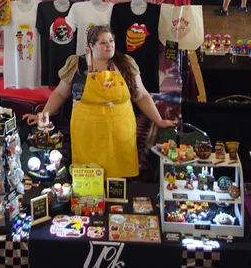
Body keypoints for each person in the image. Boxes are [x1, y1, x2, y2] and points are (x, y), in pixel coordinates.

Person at [22, 25, 175, 178]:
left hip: (120, 130)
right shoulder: (77, 64)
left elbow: (141, 95)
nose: (109, 45)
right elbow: (60, 93)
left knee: (120, 175)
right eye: (103, 42)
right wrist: (43, 116)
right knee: (88, 177)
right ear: (91, 46)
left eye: (111, 41)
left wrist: (159, 120)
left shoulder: (126, 63)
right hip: (87, 131)